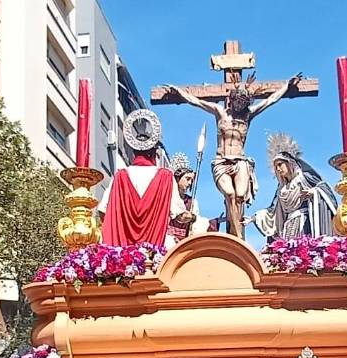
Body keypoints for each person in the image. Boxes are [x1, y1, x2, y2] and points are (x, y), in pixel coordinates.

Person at [160, 75, 304, 237]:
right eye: (238, 102)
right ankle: (237, 236)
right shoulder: (220, 113)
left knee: (240, 196)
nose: (240, 106)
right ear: (232, 100)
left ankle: (237, 234)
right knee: (229, 194)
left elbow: (270, 100)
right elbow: (196, 101)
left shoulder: (247, 115)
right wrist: (179, 92)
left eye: (243, 103)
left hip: (240, 161)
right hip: (221, 162)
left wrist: (286, 85)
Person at [99, 109, 187, 248]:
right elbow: (179, 213)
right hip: (154, 251)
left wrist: (119, 231)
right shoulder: (166, 177)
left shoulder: (120, 176)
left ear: (133, 152)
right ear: (155, 153)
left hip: (122, 251)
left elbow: (103, 210)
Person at [164, 152, 212, 248]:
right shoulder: (167, 197)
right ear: (178, 178)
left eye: (191, 180)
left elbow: (197, 222)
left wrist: (193, 218)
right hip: (167, 240)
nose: (189, 183)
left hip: (186, 241)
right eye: (187, 179)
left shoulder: (192, 202)